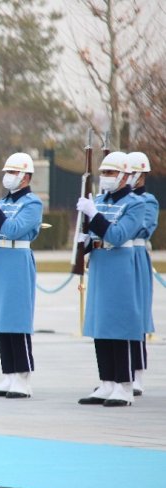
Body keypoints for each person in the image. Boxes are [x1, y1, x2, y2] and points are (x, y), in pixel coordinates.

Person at [76, 151, 144, 407]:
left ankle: (124, 385)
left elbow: (117, 235)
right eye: (103, 173)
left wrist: (93, 215)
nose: (106, 178)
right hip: (101, 264)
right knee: (101, 325)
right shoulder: (101, 200)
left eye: (111, 173)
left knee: (119, 325)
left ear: (126, 175)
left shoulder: (135, 204)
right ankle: (106, 382)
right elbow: (94, 231)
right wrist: (83, 239)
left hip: (120, 264)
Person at [0, 152, 42, 399]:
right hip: (0, 260)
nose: (8, 177)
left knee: (17, 320)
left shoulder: (32, 203)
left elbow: (13, 229)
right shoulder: (4, 202)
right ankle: (9, 374)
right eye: (6, 172)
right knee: (2, 320)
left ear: (26, 176)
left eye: (13, 173)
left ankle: (23, 377)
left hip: (17, 261)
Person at [126, 151, 158, 397]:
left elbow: (142, 229)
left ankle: (136, 372)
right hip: (117, 256)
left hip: (136, 257)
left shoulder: (147, 201)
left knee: (135, 317)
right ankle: (116, 374)